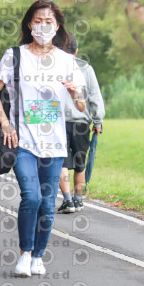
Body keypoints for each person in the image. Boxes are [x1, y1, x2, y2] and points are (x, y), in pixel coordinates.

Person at [0, 0, 87, 277]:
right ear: (30, 24)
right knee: (30, 197)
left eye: (49, 21)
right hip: (23, 142)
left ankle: (39, 256)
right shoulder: (14, 56)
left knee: (46, 202)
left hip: (54, 144)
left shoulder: (67, 61)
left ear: (57, 26)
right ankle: (25, 253)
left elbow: (81, 106)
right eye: (38, 20)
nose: (43, 26)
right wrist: (6, 123)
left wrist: (74, 93)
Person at [57, 35, 105, 213]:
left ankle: (67, 200)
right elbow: (95, 96)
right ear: (76, 50)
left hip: (59, 122)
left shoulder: (53, 67)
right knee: (80, 162)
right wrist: (98, 121)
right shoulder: (87, 68)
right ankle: (78, 200)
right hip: (82, 122)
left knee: (61, 162)